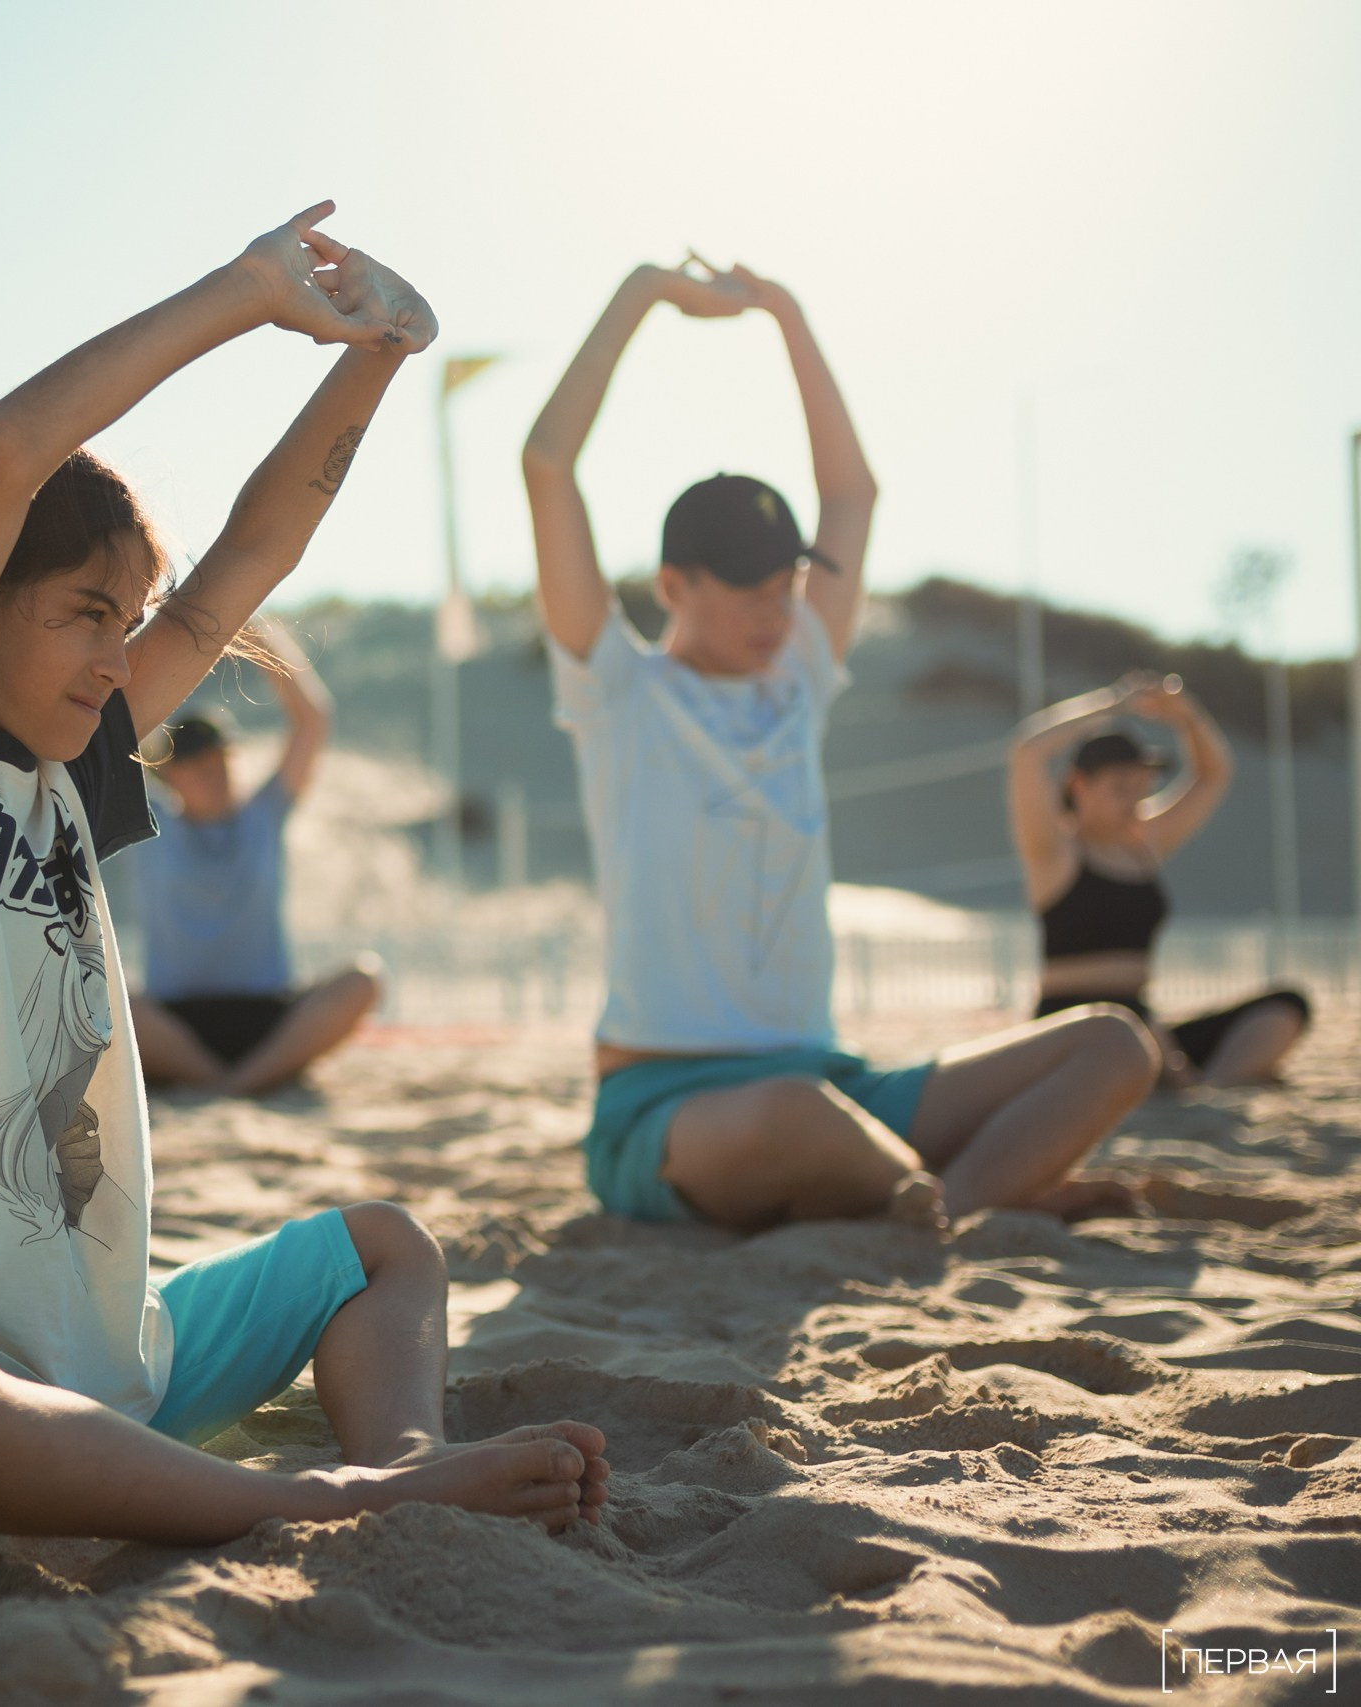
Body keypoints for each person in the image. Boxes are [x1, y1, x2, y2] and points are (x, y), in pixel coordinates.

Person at [0, 203, 608, 1543]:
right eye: (86, 614)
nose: (123, 656)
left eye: (127, 619)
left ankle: (401, 1466)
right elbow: (0, 462)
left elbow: (241, 572)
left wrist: (377, 355)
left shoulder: (71, 772)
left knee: (384, 1243)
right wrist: (240, 295)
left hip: (119, 1370)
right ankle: (329, 1494)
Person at [521, 256, 1159, 1234]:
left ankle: (943, 1205)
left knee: (1115, 1046)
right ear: (672, 584)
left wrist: (786, 313)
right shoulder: (618, 692)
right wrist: (644, 292)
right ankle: (955, 1191)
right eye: (747, 585)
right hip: (668, 1109)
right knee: (794, 1118)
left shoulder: (797, 682)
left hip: (833, 1081)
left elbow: (851, 495)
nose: (777, 609)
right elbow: (547, 464)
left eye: (787, 583)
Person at [1010, 673, 1308, 1086]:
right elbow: (1027, 752)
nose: (1135, 799)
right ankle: (1174, 1080)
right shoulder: (1053, 852)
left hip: (1145, 1020)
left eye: (1142, 786)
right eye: (1120, 787)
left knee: (1284, 1007)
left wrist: (1187, 716)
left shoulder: (1142, 844)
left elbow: (1212, 775)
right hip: (1073, 1026)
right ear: (1078, 784)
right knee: (1125, 1035)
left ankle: (1209, 1090)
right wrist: (1116, 702)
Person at [130, 619, 381, 1095]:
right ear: (169, 778)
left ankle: (236, 1081)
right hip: (175, 1024)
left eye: (222, 760)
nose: (216, 773)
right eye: (199, 766)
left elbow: (313, 719)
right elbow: (106, 733)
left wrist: (254, 630)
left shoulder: (263, 815)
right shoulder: (149, 823)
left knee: (364, 980)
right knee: (101, 993)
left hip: (268, 1016)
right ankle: (225, 1080)